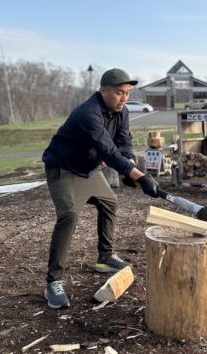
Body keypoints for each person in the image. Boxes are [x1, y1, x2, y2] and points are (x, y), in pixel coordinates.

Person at [42, 68, 158, 309]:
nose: (124, 98)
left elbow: (123, 143)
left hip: (88, 170)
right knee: (69, 215)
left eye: (127, 93)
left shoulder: (121, 111)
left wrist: (131, 164)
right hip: (61, 169)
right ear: (103, 90)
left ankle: (105, 257)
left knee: (110, 202)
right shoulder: (88, 113)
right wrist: (138, 175)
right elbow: (107, 149)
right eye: (119, 92)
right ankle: (53, 282)